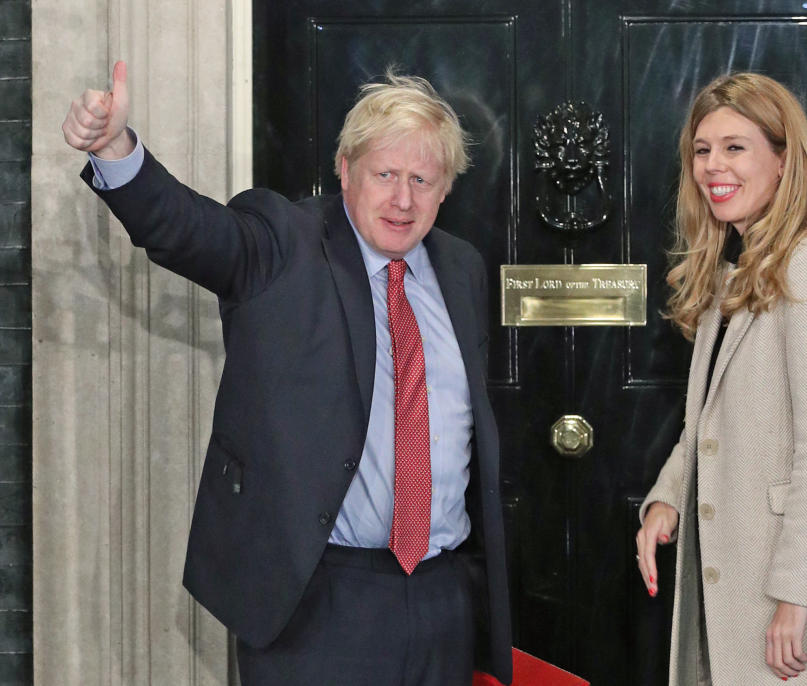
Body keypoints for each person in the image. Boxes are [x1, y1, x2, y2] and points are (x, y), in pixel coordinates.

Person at [62, 60, 512, 686]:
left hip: (441, 599)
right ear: (345, 169)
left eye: (423, 179)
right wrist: (116, 147)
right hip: (317, 600)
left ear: (446, 190)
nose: (404, 199)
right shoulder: (285, 243)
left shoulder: (460, 268)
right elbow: (190, 231)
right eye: (385, 174)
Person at [634, 72, 807, 685]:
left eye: (736, 147)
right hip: (745, 583)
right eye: (703, 150)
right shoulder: (734, 273)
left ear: (784, 161)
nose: (714, 166)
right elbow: (707, 423)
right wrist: (667, 497)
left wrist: (796, 596)